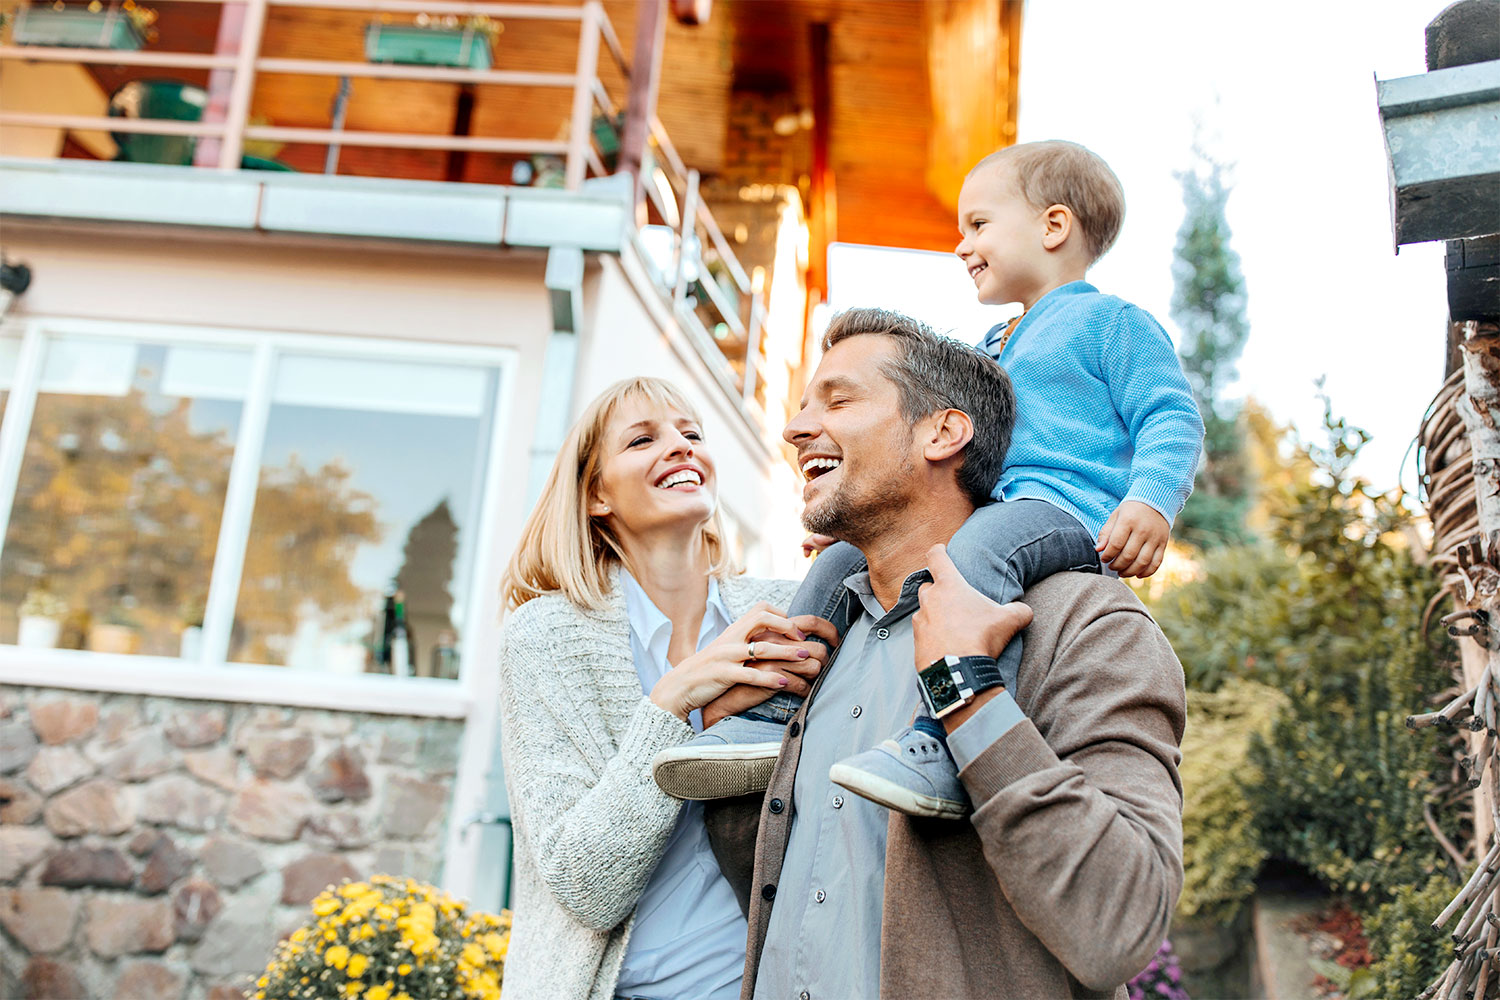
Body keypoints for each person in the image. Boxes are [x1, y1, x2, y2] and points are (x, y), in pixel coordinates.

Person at [654, 140, 1203, 822]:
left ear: (1053, 226)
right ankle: (772, 717)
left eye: (978, 224)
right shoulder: (993, 345)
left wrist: (1150, 500)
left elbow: (1171, 414)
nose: (961, 244)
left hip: (1060, 511)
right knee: (837, 568)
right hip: (988, 510)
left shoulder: (1110, 322)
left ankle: (938, 738)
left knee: (975, 556)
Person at [705, 309, 1185, 999]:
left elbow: (1122, 925)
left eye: (839, 400)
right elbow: (789, 891)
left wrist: (972, 698)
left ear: (944, 432)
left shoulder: (1087, 626)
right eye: (805, 404)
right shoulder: (810, 648)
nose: (795, 427)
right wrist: (738, 771)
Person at [496, 376, 834, 1000]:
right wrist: (678, 707)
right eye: (643, 439)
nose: (680, 448)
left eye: (691, 434)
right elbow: (585, 885)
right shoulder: (545, 636)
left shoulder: (780, 611)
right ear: (597, 494)